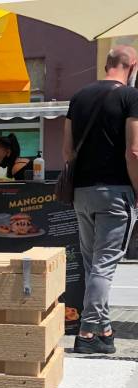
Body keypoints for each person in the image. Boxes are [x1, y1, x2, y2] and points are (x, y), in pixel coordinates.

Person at [64, 45, 138, 354]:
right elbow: (134, 151)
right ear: (132, 65)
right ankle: (87, 333)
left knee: (93, 264)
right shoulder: (130, 97)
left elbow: (67, 151)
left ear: (108, 64)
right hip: (116, 192)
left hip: (82, 193)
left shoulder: (78, 97)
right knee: (104, 266)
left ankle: (104, 330)